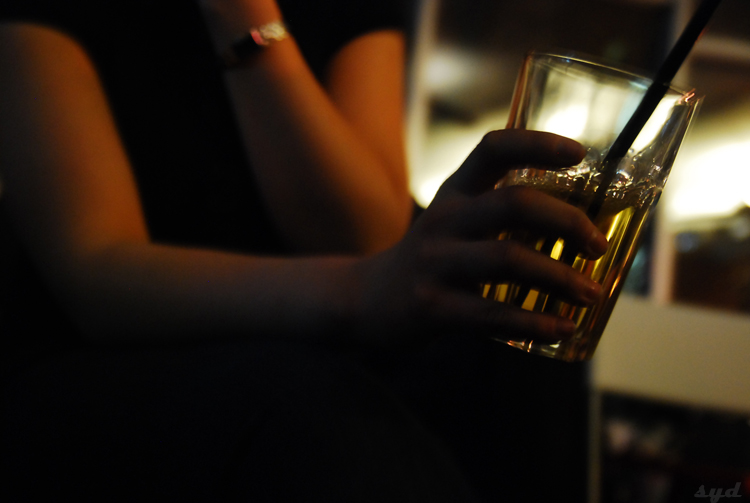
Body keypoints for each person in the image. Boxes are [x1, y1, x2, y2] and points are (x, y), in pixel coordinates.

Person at [0, 0, 608, 500]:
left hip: (318, 339)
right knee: (317, 412)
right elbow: (97, 275)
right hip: (107, 364)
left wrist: (244, 19)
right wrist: (359, 292)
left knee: (514, 362)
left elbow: (365, 234)